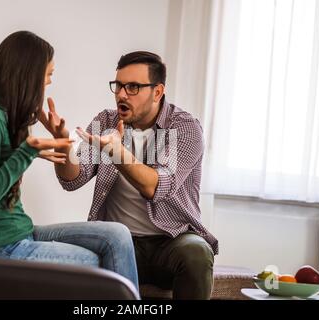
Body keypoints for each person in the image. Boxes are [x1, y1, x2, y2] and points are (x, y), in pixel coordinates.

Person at [0, 31, 138, 290]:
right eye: (48, 75)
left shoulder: (0, 114)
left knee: (117, 235)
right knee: (97, 265)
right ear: (27, 74)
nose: (48, 83)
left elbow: (58, 177)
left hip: (20, 232)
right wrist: (26, 151)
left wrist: (56, 140)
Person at [38, 51, 219, 299]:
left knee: (196, 252)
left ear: (157, 92)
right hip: (119, 242)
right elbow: (73, 179)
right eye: (119, 86)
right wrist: (63, 145)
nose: (122, 94)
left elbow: (155, 186)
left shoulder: (183, 127)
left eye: (133, 87)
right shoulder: (106, 121)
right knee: (70, 259)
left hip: (170, 240)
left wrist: (117, 152)